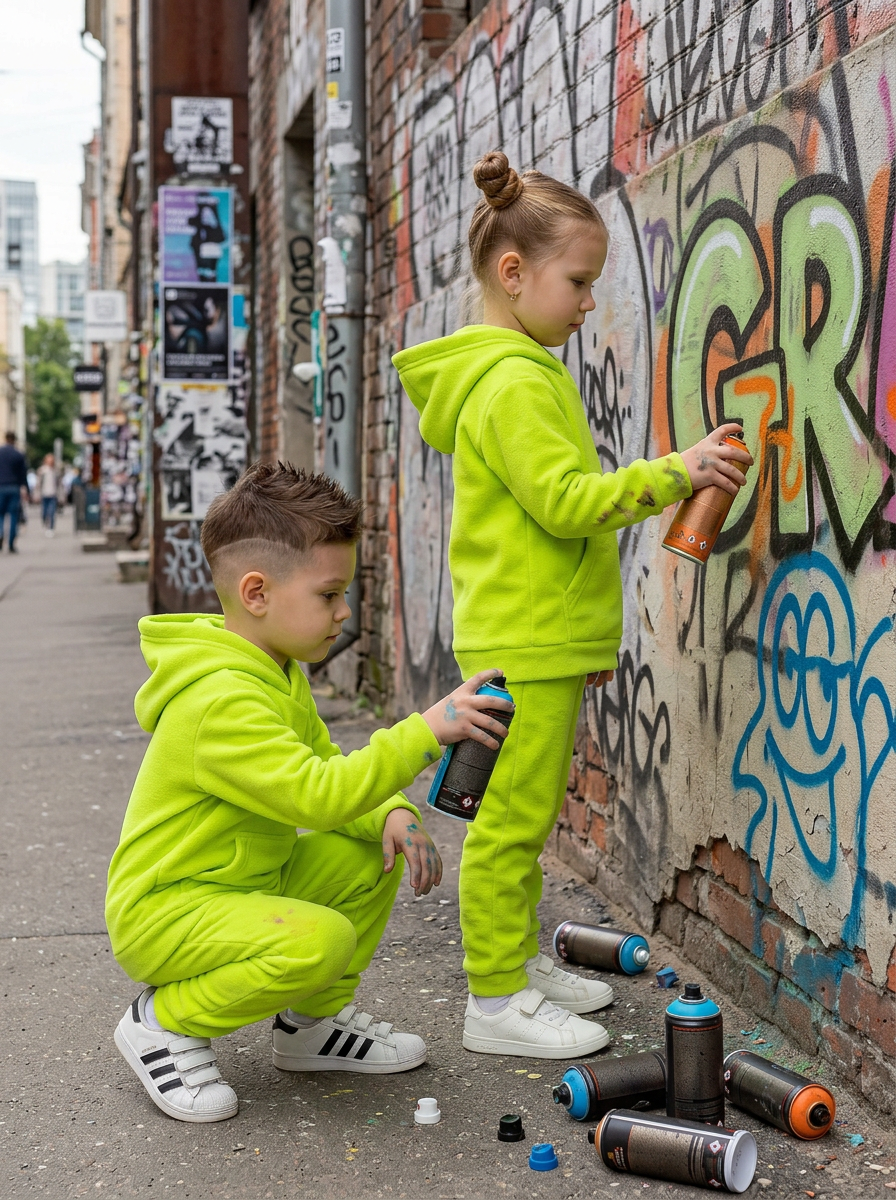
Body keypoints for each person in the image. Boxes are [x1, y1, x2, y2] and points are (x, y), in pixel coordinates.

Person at [392, 151, 752, 1060]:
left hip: (536, 636)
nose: (589, 304)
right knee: (510, 823)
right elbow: (562, 500)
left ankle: (515, 963)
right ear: (513, 274)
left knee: (523, 814)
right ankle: (494, 999)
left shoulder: (517, 369)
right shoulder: (513, 381)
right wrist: (680, 473)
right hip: (526, 642)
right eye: (579, 282)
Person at [105, 461, 512, 1123]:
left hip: (238, 888)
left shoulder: (274, 670)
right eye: (329, 594)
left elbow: (323, 762)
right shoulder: (221, 701)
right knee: (318, 940)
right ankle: (163, 1021)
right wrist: (424, 731)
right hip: (167, 911)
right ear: (258, 592)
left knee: (367, 855)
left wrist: (391, 812)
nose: (344, 610)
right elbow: (317, 796)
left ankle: (311, 1028)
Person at [0, 432, 30, 553]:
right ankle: (11, 542)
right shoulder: (18, 454)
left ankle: (0, 533)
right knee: (13, 516)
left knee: (0, 515)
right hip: (14, 487)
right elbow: (23, 474)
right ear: (14, 440)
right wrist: (27, 489)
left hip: (0, 487)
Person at [36, 453, 59, 536]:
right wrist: (36, 495)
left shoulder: (55, 471)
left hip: (53, 494)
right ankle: (46, 525)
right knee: (44, 512)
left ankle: (51, 528)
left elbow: (59, 485)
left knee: (52, 512)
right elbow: (38, 484)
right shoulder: (42, 471)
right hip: (44, 494)